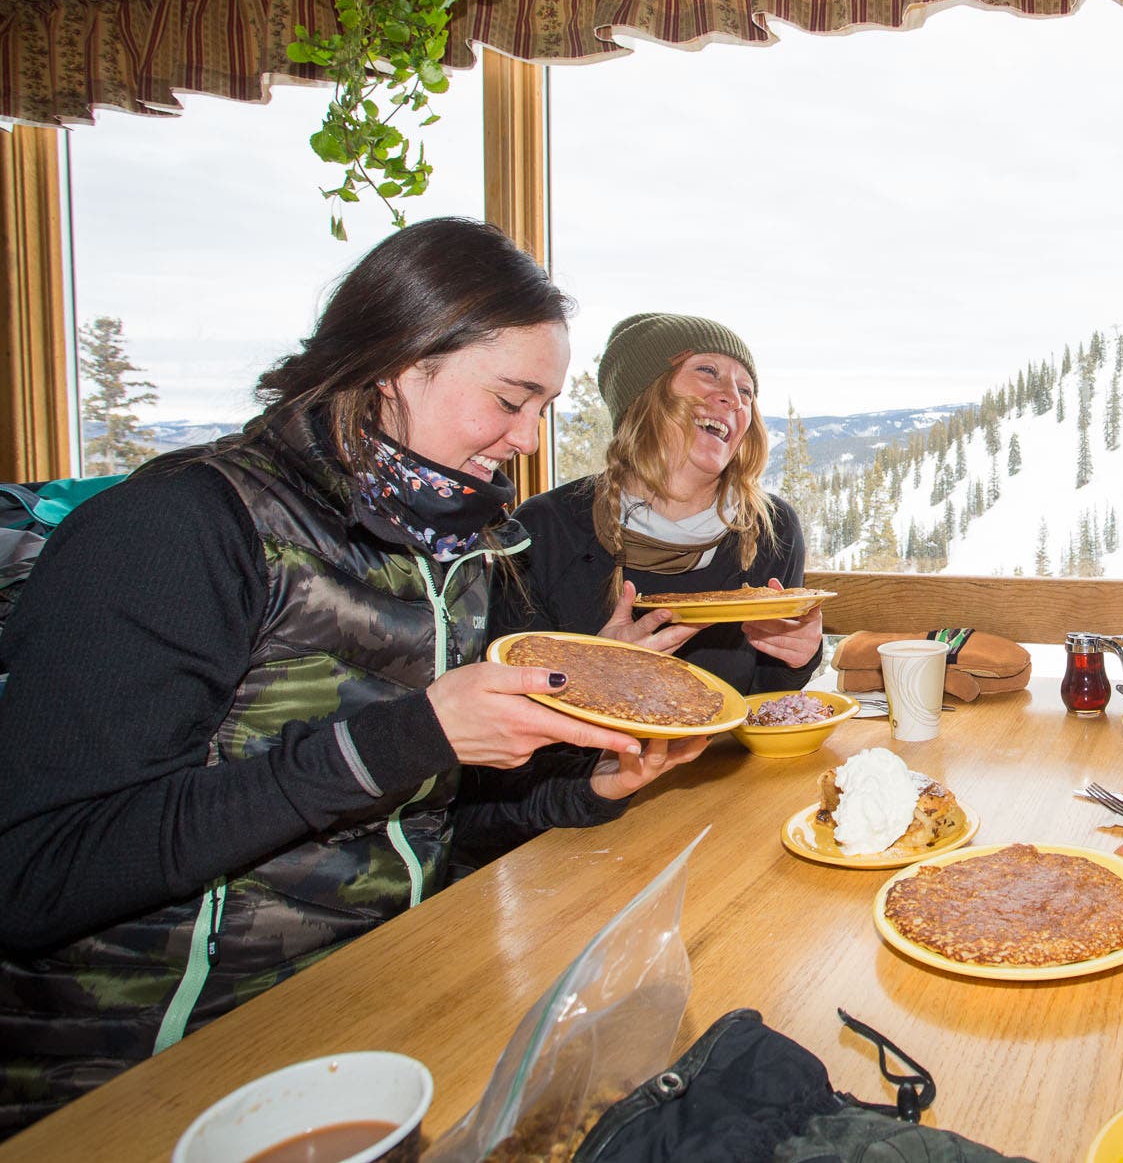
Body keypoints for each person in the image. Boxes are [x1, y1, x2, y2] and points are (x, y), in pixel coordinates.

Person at [0, 218, 706, 1135]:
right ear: (397, 363)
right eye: (509, 398)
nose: (529, 438)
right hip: (142, 1079)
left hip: (369, 1014)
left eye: (545, 407)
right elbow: (34, 873)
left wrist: (589, 789)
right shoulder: (179, 529)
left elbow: (433, 827)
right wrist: (407, 737)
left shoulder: (464, 549)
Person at [499, 313, 822, 696]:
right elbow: (508, 718)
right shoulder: (546, 528)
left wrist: (798, 656)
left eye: (747, 391)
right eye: (708, 371)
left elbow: (765, 701)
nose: (734, 400)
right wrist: (593, 678)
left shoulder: (771, 528)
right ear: (642, 396)